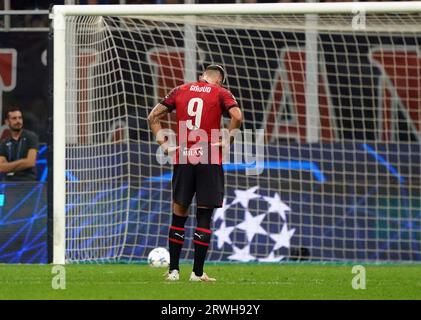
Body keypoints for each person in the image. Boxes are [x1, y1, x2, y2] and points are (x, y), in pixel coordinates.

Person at [148, 64, 243, 282]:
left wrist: (164, 145)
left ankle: (173, 272)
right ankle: (197, 273)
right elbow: (237, 116)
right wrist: (227, 140)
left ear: (202, 77)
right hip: (208, 156)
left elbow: (153, 116)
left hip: (183, 155)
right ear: (220, 81)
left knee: (179, 212)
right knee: (204, 215)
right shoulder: (221, 92)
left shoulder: (181, 90)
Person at [0, 107, 39, 181]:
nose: (18, 121)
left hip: (29, 181)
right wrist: (23, 162)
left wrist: (9, 166)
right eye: (14, 118)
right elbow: (1, 167)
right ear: (7, 122)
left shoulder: (31, 137)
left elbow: (30, 162)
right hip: (9, 182)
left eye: (20, 118)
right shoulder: (4, 143)